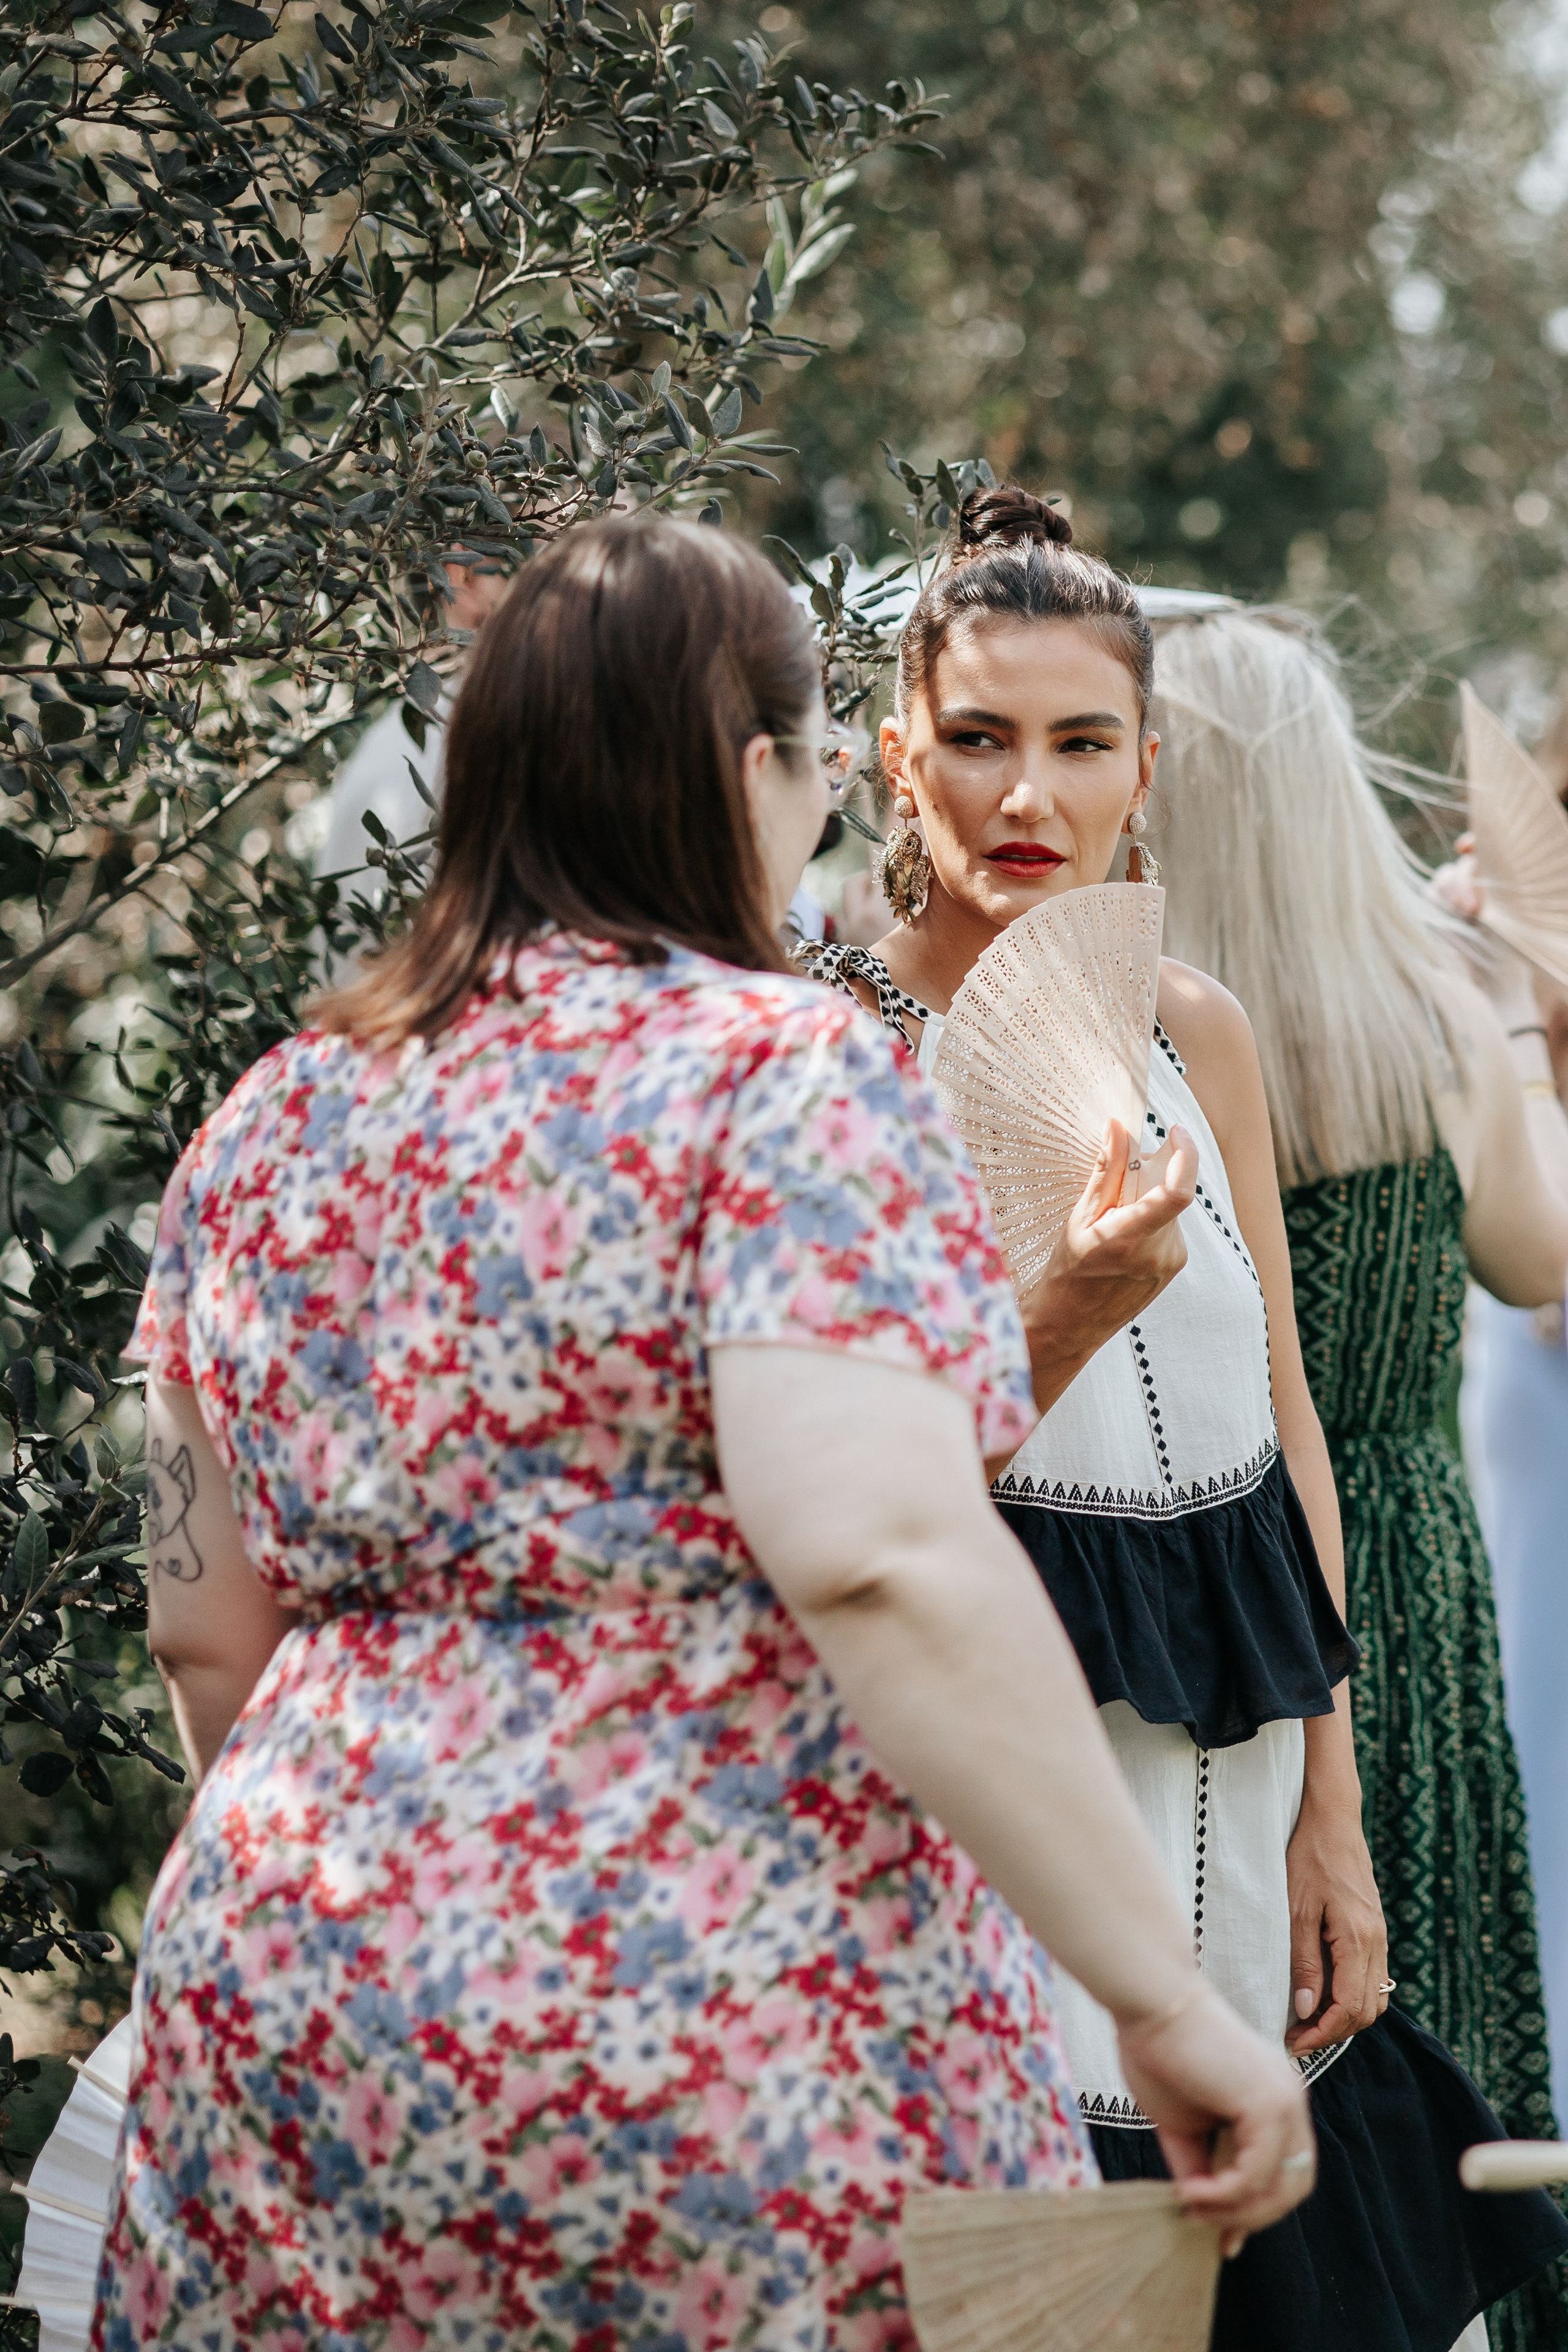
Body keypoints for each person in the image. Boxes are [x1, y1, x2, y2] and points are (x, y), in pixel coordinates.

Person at [94, 516, 1313, 2352]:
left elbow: (199, 1623)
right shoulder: (777, 1077)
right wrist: (1156, 1990)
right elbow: (885, 1556)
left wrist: (398, 1895)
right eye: (821, 760)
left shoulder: (267, 1117)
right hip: (718, 2013)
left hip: (288, 1983)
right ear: (756, 773)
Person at [801, 484, 1568, 2352]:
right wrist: (1060, 1309)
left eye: (1081, 744)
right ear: (897, 755)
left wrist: (1336, 1810)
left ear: (1151, 765)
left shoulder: (1198, 1032)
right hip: (975, 1822)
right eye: (976, 740)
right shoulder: (819, 1053)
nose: (1026, 798)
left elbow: (1288, 1432)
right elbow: (843, 1509)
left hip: (1235, 1792)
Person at [1148, 605, 1568, 2352]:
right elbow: (1540, 1259)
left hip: (1205, 1579)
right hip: (1404, 1544)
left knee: (1234, 1984)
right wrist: (1529, 1021)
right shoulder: (1438, 1007)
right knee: (1436, 1958)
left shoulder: (1140, 1034)